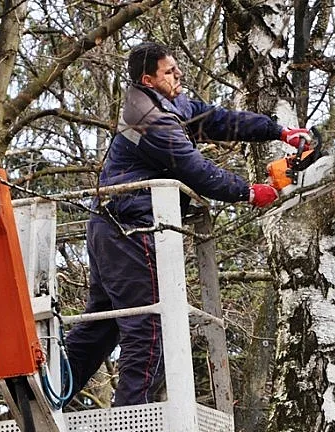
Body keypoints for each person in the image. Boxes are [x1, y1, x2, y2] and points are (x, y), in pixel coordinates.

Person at [64, 41, 312, 407]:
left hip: (113, 225)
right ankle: (130, 420)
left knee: (104, 325)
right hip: (130, 227)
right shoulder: (150, 118)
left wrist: (277, 131)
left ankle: (46, 394)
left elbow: (220, 120)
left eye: (177, 69)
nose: (178, 76)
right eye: (169, 72)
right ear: (148, 79)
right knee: (149, 326)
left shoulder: (173, 104)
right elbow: (196, 170)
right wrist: (248, 192)